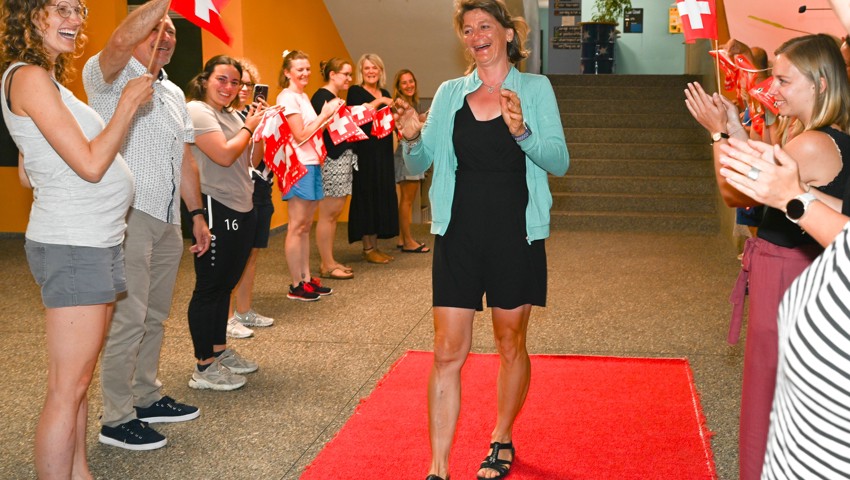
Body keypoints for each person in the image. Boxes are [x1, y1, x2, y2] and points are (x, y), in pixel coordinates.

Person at [394, 1, 568, 478]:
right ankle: (438, 467)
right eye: (467, 29)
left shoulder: (535, 89)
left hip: (516, 234)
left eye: (485, 26)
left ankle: (502, 436)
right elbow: (417, 164)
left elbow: (559, 160)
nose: (476, 36)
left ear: (509, 34)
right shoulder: (450, 93)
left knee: (510, 342)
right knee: (447, 350)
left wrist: (522, 131)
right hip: (459, 233)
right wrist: (410, 139)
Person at [684, 33, 850, 480]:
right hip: (792, 268)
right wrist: (735, 129)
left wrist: (719, 132)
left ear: (819, 83)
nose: (772, 89)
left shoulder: (814, 143)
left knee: (770, 396)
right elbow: (763, 167)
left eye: (783, 80)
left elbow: (736, 191)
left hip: (790, 275)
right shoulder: (822, 137)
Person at [0, 0, 153, 475]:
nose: (75, 19)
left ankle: (79, 473)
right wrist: (126, 105)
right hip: (74, 243)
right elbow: (89, 165)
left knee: (79, 380)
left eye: (79, 9)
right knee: (67, 387)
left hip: (93, 239)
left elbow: (28, 173)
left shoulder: (43, 82)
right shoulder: (27, 77)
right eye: (61, 7)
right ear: (30, 13)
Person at [83, 0, 210, 451]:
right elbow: (118, 41)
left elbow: (186, 158)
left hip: (166, 218)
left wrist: (196, 216)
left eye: (172, 29)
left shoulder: (174, 93)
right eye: (157, 28)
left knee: (154, 316)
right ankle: (116, 419)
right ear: (136, 33)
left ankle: (145, 395)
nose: (167, 35)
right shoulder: (108, 77)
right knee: (129, 318)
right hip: (128, 215)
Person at [185, 55, 265, 390]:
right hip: (215, 205)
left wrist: (257, 129)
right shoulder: (197, 110)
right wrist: (248, 126)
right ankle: (204, 366)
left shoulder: (231, 114)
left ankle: (218, 351)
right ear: (205, 80)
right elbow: (223, 154)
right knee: (211, 285)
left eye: (236, 83)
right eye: (222, 80)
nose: (230, 88)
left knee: (225, 284)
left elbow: (250, 160)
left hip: (241, 203)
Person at [276, 50, 340, 300]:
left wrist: (328, 117)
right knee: (297, 225)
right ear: (287, 72)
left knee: (304, 226)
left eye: (307, 68)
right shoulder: (287, 97)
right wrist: (325, 115)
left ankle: (305, 278)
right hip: (298, 166)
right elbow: (300, 135)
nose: (305, 73)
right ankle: (296, 284)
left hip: (312, 163)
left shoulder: (301, 96)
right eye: (299, 69)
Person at [227, 58, 275, 339]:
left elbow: (258, 158)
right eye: (237, 83)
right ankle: (229, 315)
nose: (243, 89)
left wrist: (263, 126)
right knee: (236, 255)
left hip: (261, 184)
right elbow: (242, 158)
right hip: (237, 189)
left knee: (252, 253)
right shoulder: (226, 116)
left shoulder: (251, 114)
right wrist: (252, 127)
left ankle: (244, 310)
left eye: (247, 84)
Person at [347, 53, 399, 264]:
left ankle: (375, 246)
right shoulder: (355, 92)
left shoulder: (385, 92)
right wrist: (380, 102)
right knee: (366, 197)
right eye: (367, 68)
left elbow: (387, 121)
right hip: (364, 153)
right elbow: (357, 117)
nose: (371, 72)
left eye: (374, 68)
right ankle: (367, 248)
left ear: (380, 71)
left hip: (383, 151)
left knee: (380, 196)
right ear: (362, 71)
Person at [312, 57, 357, 280]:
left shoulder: (335, 98)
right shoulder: (323, 97)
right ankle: (326, 264)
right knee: (328, 214)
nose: (349, 78)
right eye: (345, 74)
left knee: (333, 213)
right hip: (332, 160)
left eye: (350, 74)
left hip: (341, 159)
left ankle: (328, 260)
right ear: (332, 74)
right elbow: (320, 129)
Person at [392, 68, 431, 254]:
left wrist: (422, 118)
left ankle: (402, 238)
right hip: (406, 154)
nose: (409, 85)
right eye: (404, 82)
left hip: (408, 153)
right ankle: (408, 241)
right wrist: (427, 123)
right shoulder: (400, 106)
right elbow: (405, 130)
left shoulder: (411, 104)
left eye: (411, 81)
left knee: (407, 200)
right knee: (407, 200)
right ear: (398, 87)